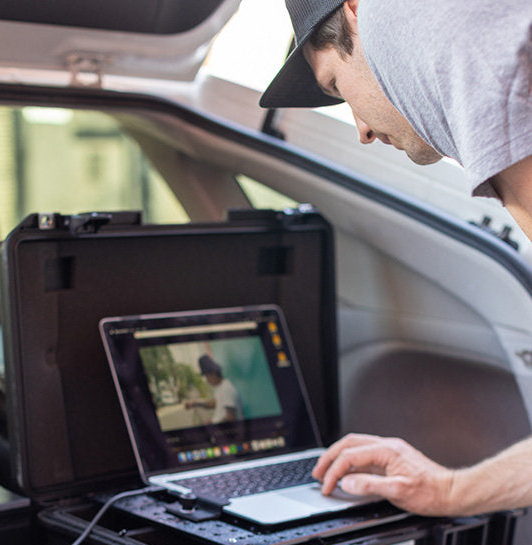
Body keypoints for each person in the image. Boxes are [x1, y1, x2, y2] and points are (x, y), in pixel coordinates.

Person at [261, 0, 532, 516]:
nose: (361, 130)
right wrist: (450, 491)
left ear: (358, 11)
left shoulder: (421, 21)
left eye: (337, 85)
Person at [184, 355, 244, 423]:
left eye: (207, 376)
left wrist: (212, 424)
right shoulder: (220, 387)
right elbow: (213, 404)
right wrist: (195, 404)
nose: (207, 380)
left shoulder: (226, 389)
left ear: (213, 373)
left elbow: (230, 418)